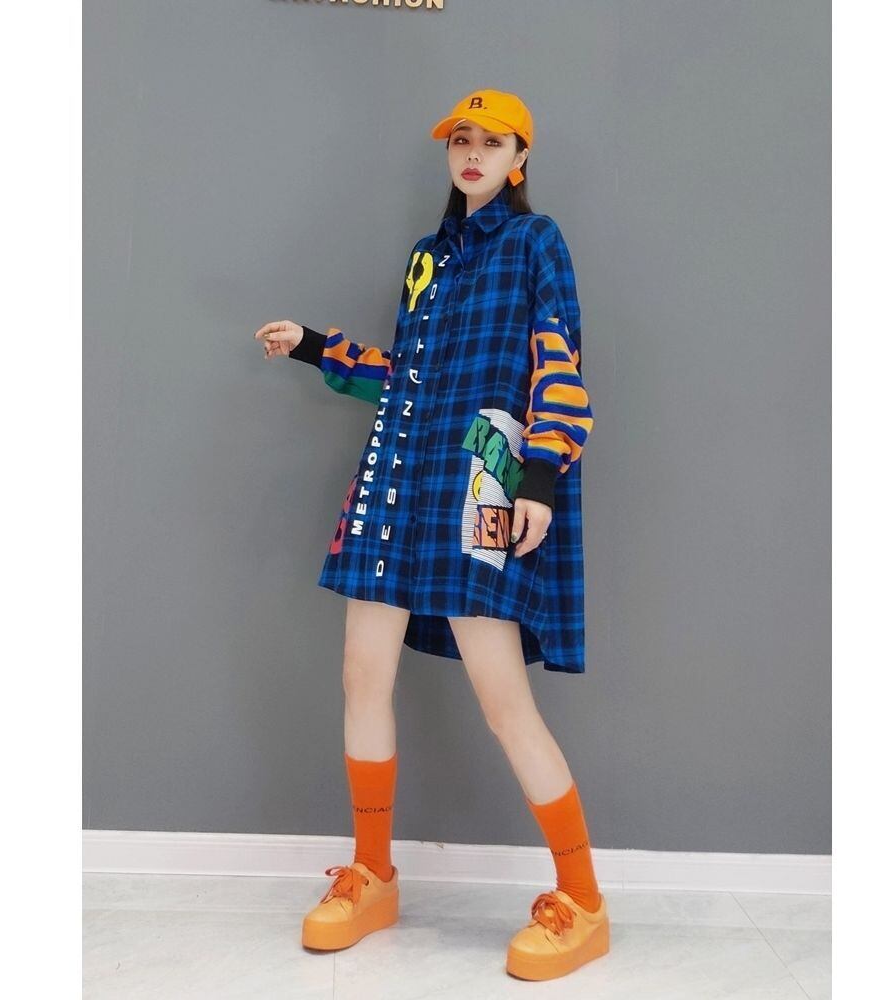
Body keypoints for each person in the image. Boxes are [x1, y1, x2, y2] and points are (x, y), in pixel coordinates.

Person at [253, 88, 606, 981]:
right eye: (460, 140)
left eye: (492, 141)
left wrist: (539, 477)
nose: (472, 153)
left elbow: (558, 357)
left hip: (481, 478)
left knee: (502, 698)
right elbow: (410, 374)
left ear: (520, 159)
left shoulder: (536, 241)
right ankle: (372, 874)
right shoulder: (425, 257)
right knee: (361, 675)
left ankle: (583, 901)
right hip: (398, 479)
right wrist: (317, 346)